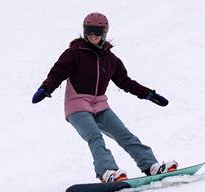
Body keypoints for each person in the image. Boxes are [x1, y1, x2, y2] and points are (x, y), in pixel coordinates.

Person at [32, 12, 178, 183]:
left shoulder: (110, 59)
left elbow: (125, 82)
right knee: (95, 137)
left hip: (100, 105)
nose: (92, 35)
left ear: (104, 33)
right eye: (89, 31)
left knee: (125, 135)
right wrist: (46, 88)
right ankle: (107, 171)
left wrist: (148, 94)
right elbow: (57, 73)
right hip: (77, 106)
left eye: (97, 32)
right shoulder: (74, 53)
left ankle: (151, 165)